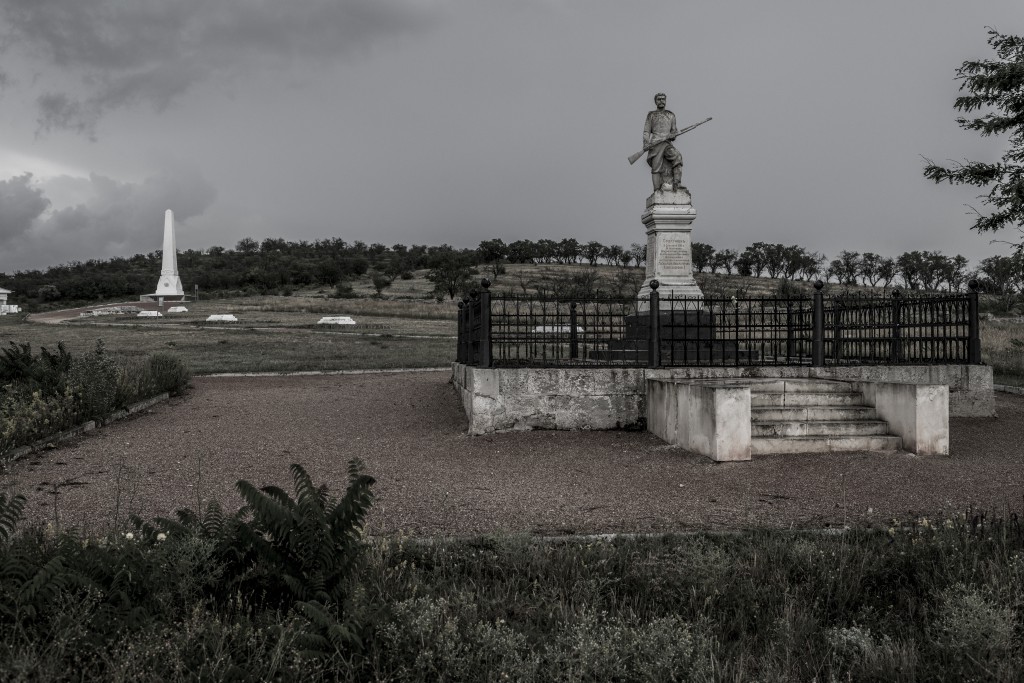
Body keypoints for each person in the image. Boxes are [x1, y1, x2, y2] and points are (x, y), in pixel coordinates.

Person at [644, 93, 683, 191]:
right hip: (655, 144)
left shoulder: (670, 115)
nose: (661, 101)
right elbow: (646, 131)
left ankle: (677, 184)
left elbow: (674, 130)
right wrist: (646, 143)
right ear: (655, 101)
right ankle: (657, 190)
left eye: (663, 99)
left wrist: (673, 134)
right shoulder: (651, 115)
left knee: (677, 157)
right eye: (659, 99)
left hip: (666, 144)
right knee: (656, 169)